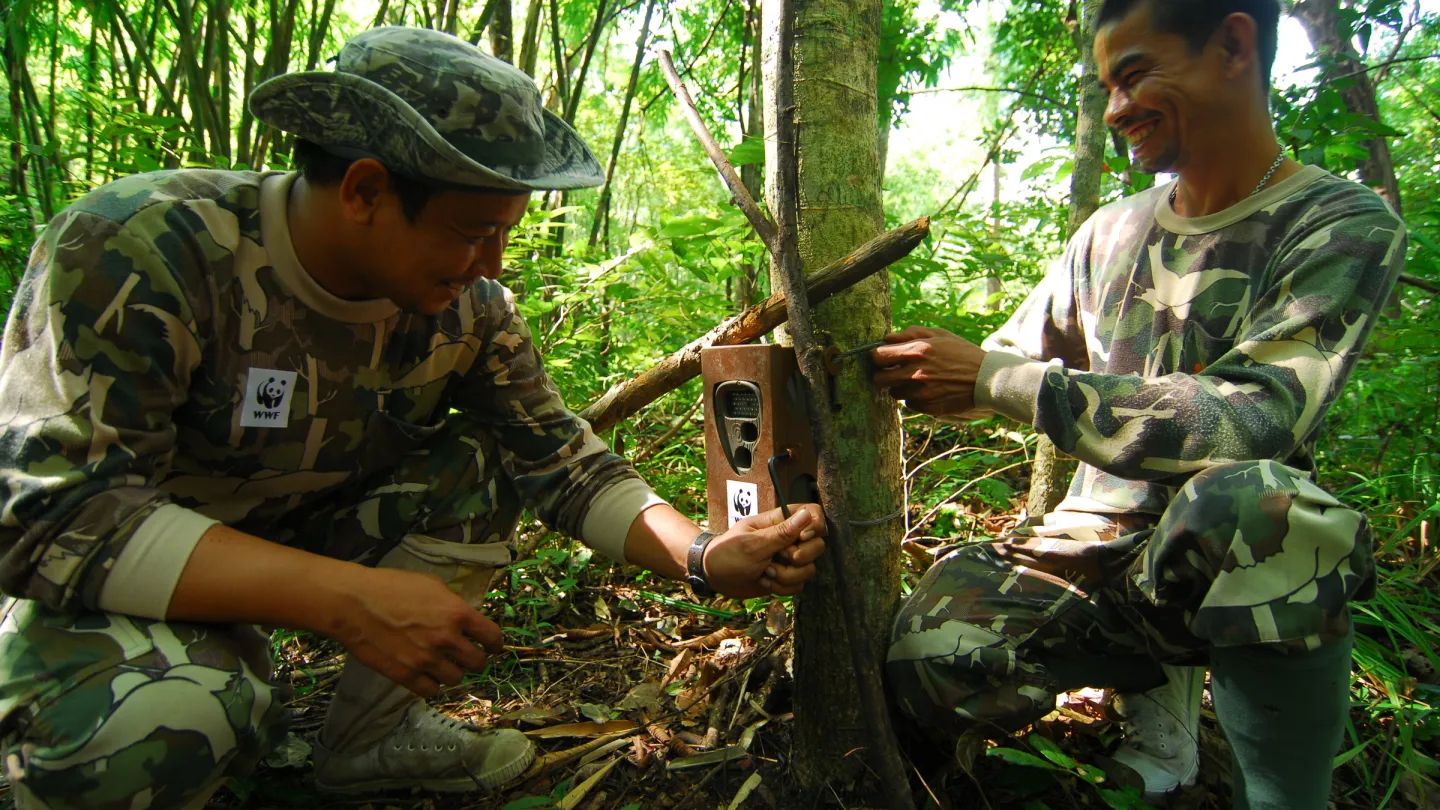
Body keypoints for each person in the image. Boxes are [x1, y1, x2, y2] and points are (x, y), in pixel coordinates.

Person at [0, 27, 827, 810]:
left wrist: (704, 556)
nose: (492, 263)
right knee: (154, 725)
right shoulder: (145, 249)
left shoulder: (469, 310)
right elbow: (51, 516)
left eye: (504, 233)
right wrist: (345, 599)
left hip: (300, 539)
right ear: (365, 190)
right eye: (474, 232)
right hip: (120, 587)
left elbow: (561, 461)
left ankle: (367, 738)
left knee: (482, 456)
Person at [875, 1, 1405, 808]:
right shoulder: (1109, 233)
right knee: (932, 656)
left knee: (1265, 507)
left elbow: (1254, 418)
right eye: (1106, 88)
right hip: (1096, 551)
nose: (1116, 108)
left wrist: (991, 380)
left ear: (1233, 45)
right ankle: (1160, 711)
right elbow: (1004, 361)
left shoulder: (1336, 222)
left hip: (1232, 548)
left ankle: (1283, 794)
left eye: (1134, 76)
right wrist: (899, 367)